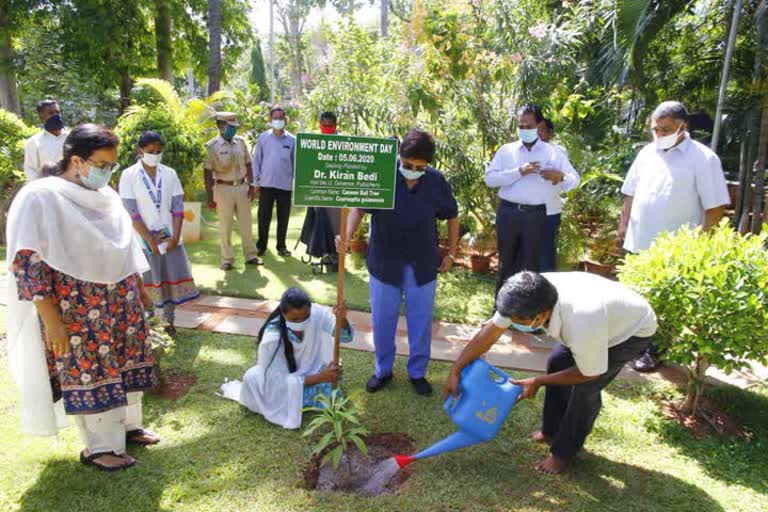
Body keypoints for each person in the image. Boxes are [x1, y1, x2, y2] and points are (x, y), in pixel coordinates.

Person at [6, 124, 159, 471]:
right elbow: (28, 263)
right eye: (102, 164)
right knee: (92, 372)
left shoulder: (105, 195)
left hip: (121, 300)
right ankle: (99, 447)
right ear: (77, 160)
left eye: (112, 165)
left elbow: (125, 246)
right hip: (77, 309)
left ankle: (130, 427)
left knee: (127, 363)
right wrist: (52, 322)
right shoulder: (41, 197)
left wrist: (139, 288)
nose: (107, 172)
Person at [444, 271, 657, 474]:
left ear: (543, 314)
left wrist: (538, 381)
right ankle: (550, 431)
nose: (516, 326)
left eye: (520, 323)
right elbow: (489, 333)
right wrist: (456, 370)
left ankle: (563, 453)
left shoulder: (581, 320)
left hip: (631, 330)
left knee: (586, 389)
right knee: (557, 362)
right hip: (602, 315)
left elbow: (589, 373)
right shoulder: (524, 294)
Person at [339, 128, 459, 396]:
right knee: (383, 320)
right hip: (384, 262)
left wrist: (451, 253)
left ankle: (417, 372)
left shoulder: (437, 182)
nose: (412, 171)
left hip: (422, 263)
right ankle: (383, 370)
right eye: (407, 165)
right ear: (399, 155)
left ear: (428, 165)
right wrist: (346, 237)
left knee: (421, 321)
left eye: (419, 167)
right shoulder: (382, 174)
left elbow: (452, 215)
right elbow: (359, 207)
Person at [618, 101, 729, 372]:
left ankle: (655, 351)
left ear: (683, 127)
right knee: (635, 296)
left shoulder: (703, 159)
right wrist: (623, 226)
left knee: (664, 304)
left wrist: (702, 248)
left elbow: (715, 207)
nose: (659, 134)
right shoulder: (647, 153)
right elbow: (630, 192)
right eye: (655, 129)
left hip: (674, 249)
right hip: (638, 239)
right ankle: (630, 344)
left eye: (665, 129)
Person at [219, 288, 353, 429]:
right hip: (285, 380)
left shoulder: (317, 313)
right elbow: (275, 382)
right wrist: (320, 378)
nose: (301, 322)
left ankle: (312, 390)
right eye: (295, 319)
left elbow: (345, 336)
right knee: (253, 379)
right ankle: (309, 391)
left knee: (333, 388)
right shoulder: (272, 337)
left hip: (312, 371)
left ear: (310, 310)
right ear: (283, 314)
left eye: (305, 317)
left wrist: (342, 318)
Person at [486, 105, 579, 298]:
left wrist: (560, 177)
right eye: (521, 126)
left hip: (537, 214)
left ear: (539, 125)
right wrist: (519, 171)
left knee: (531, 266)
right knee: (506, 263)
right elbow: (490, 179)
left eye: (529, 126)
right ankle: (500, 309)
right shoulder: (507, 151)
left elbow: (574, 180)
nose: (524, 130)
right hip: (509, 213)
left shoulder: (552, 152)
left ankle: (526, 314)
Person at [119, 131, 200, 338]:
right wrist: (149, 239)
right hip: (142, 239)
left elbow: (178, 208)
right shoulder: (128, 175)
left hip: (170, 237)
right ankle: (149, 324)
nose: (155, 154)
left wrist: (174, 237)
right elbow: (131, 211)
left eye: (159, 151)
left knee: (169, 278)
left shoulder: (169, 173)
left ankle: (169, 322)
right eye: (150, 151)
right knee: (147, 281)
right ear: (140, 151)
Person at [204, 112, 261, 271]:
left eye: (235, 127)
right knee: (225, 225)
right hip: (223, 188)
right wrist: (210, 197)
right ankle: (227, 259)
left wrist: (251, 184)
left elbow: (248, 164)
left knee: (246, 224)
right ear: (220, 126)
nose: (234, 130)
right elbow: (207, 172)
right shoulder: (212, 146)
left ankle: (250, 255)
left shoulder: (241, 143)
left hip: (242, 187)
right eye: (230, 127)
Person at [252, 105, 297, 258]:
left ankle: (281, 246)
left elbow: (295, 163)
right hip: (266, 184)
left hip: (285, 186)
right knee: (263, 217)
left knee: (283, 219)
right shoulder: (263, 137)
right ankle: (261, 246)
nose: (278, 120)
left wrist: (295, 184)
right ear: (270, 120)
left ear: (286, 119)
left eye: (281, 118)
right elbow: (257, 161)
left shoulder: (292, 140)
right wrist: (256, 183)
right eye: (275, 118)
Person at [537, 118, 579, 272]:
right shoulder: (518, 151)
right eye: (533, 129)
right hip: (523, 213)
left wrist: (560, 177)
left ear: (549, 133)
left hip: (549, 213)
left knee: (546, 255)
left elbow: (573, 180)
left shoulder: (557, 152)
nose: (537, 133)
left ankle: (546, 291)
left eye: (541, 129)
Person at [23, 99, 68, 182]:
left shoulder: (72, 138)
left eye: (57, 112)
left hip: (71, 188)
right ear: (41, 117)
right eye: (51, 113)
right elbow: (31, 170)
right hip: (47, 189)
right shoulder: (34, 142)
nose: (56, 115)